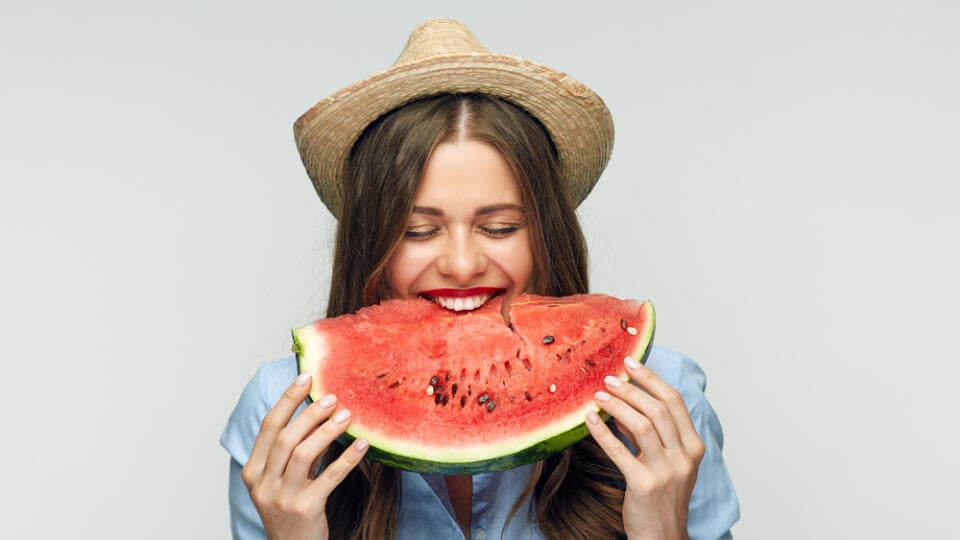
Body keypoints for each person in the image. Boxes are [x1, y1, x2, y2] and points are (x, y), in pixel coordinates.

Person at [221, 19, 739, 540]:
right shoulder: (279, 416)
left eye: (499, 227)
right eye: (418, 230)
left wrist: (666, 532)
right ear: (372, 239)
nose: (463, 264)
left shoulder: (660, 408)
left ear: (545, 232)